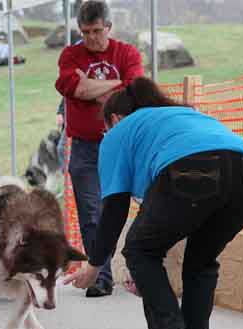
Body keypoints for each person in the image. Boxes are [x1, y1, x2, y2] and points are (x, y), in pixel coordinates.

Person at [63, 77, 243, 329]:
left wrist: (95, 265)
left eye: (106, 127)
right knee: (201, 262)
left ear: (115, 119)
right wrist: (147, 277)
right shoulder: (180, 117)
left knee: (138, 247)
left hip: (192, 169)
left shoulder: (120, 132)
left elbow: (115, 208)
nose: (106, 133)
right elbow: (167, 215)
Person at [55, 0, 144, 297]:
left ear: (108, 27)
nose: (91, 38)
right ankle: (100, 275)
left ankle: (143, 269)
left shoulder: (126, 53)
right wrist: (113, 85)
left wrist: (93, 86)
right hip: (85, 146)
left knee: (141, 206)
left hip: (123, 145)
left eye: (96, 31)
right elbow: (74, 89)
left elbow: (133, 90)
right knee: (91, 213)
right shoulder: (70, 55)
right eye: (85, 32)